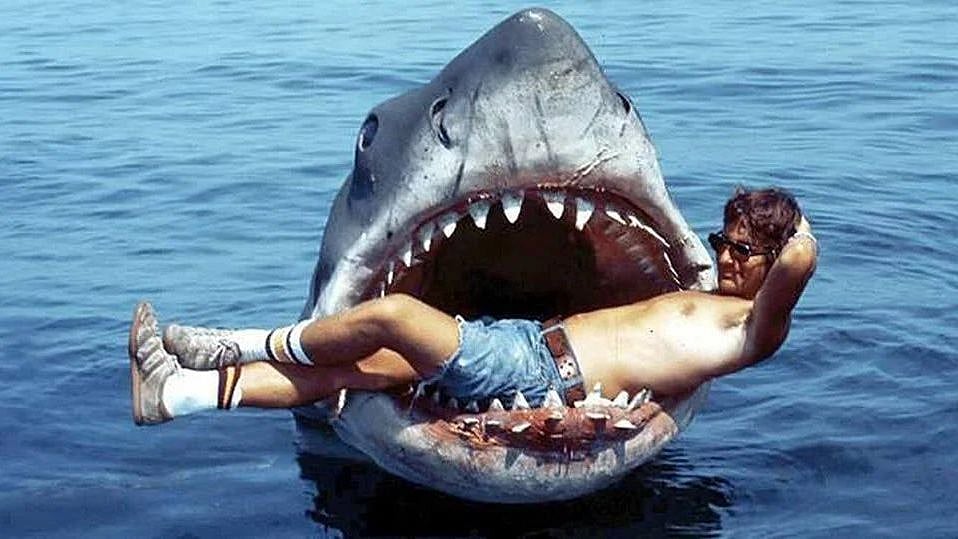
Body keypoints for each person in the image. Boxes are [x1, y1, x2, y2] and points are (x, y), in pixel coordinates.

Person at [130, 187, 818, 425]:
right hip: (523, 342)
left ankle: (236, 344)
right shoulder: (709, 300)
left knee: (394, 314)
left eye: (744, 251)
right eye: (721, 243)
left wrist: (798, 234)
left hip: (542, 374)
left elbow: (797, 264)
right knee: (351, 371)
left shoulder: (755, 329)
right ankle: (178, 395)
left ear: (773, 260)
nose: (727, 257)